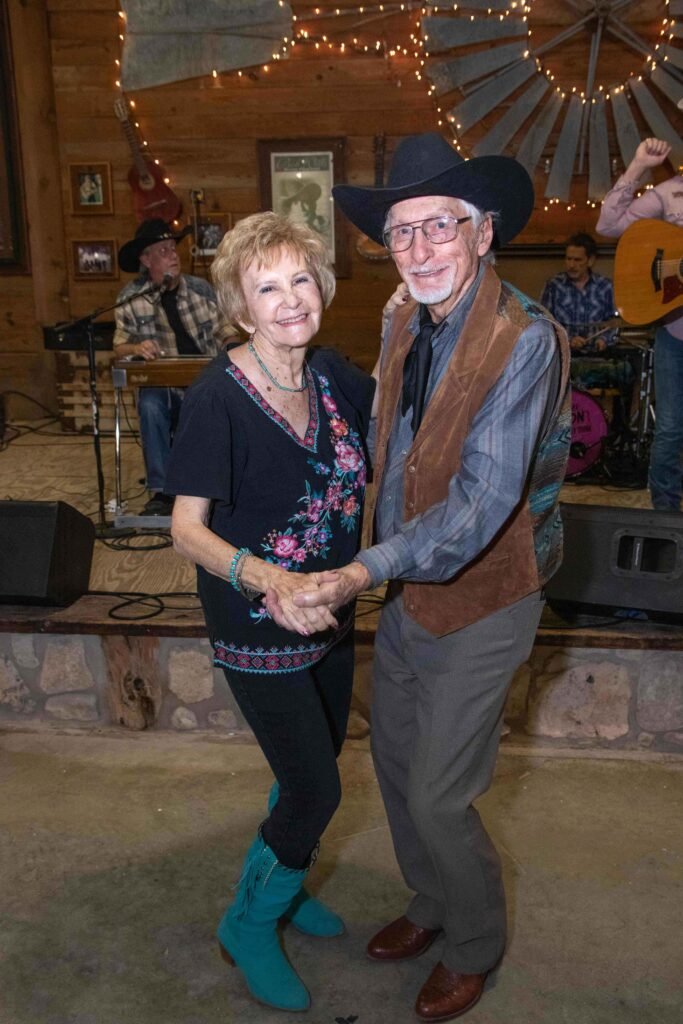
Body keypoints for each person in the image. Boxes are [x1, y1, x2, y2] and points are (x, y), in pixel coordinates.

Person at [267, 132, 572, 1021]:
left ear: (483, 232)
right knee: (396, 764)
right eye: (401, 232)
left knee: (439, 794)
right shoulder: (407, 317)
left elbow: (480, 504)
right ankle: (432, 903)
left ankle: (473, 943)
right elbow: (393, 443)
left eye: (439, 225)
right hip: (407, 584)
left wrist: (362, 568)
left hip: (487, 593)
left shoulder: (524, 340)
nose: (419, 248)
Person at [164, 212, 375, 1012]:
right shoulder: (217, 397)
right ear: (240, 308)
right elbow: (185, 529)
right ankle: (249, 925)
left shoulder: (331, 374)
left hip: (330, 607)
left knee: (307, 770)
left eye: (300, 280)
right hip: (256, 620)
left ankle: (284, 886)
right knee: (317, 790)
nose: (290, 300)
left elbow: (403, 416)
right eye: (266, 288)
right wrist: (266, 581)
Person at [115, 218, 236, 516]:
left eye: (173, 248)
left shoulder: (200, 290)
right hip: (164, 385)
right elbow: (119, 346)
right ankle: (162, 491)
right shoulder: (131, 298)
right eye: (163, 250)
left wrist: (232, 348)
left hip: (205, 381)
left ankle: (217, 486)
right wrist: (136, 348)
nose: (173, 255)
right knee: (150, 403)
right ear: (146, 260)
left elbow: (226, 330)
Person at [596, 135, 683, 510]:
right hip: (675, 334)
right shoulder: (669, 193)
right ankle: (664, 517)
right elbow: (609, 224)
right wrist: (639, 166)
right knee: (670, 428)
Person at [540, 233, 632, 434]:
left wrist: (604, 340)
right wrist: (567, 340)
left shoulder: (605, 287)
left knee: (625, 370)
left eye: (577, 260)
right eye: (568, 259)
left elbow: (614, 323)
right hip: (566, 357)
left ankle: (614, 431)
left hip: (598, 356)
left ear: (590, 260)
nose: (571, 265)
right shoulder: (554, 286)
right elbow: (545, 324)